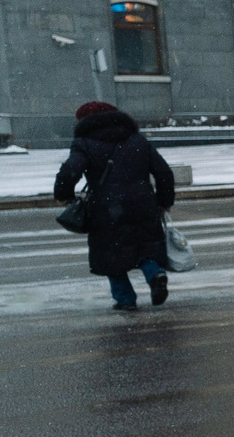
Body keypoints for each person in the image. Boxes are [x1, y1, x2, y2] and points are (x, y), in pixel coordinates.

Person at [53, 101, 176, 311]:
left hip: (106, 207)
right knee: (145, 245)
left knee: (111, 253)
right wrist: (163, 201)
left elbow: (69, 172)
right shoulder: (137, 140)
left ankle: (125, 299)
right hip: (143, 203)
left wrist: (64, 196)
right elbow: (164, 173)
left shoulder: (85, 143)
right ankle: (155, 274)